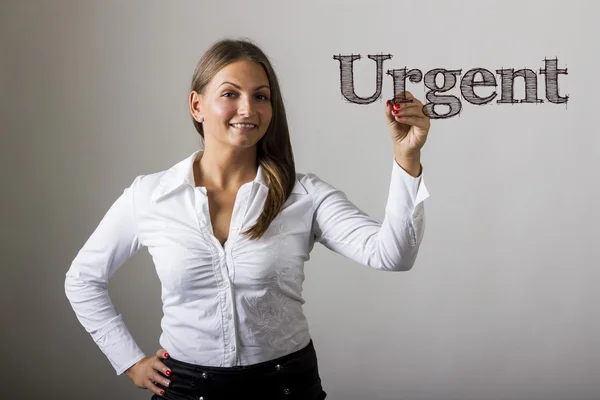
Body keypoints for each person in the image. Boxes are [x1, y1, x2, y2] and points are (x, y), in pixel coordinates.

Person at [65, 38, 431, 400]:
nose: (248, 109)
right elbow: (83, 280)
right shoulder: (151, 195)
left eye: (260, 96)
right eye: (230, 94)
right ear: (197, 105)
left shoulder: (304, 195)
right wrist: (129, 361)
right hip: (186, 390)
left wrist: (407, 157)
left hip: (286, 387)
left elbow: (393, 255)